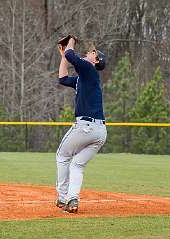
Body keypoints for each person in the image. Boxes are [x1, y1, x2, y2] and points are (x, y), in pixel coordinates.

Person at [55, 37, 107, 213]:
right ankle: (73, 200)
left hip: (86, 127)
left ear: (96, 61)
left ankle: (63, 197)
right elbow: (62, 79)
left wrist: (70, 41)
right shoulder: (84, 77)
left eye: (93, 53)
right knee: (77, 164)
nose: (90, 52)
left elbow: (72, 55)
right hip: (100, 132)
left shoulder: (90, 69)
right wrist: (64, 57)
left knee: (62, 155)